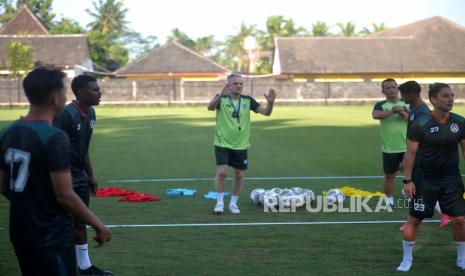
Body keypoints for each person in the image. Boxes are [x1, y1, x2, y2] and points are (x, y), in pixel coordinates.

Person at [0, 66, 111, 276]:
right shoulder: (53, 136)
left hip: (20, 230)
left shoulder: (8, 131)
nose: (64, 96)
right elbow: (65, 196)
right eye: (62, 91)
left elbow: (3, 185)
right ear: (54, 97)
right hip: (51, 233)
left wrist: (29, 204)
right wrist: (99, 225)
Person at [397, 83, 465, 272]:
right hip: (425, 179)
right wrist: (408, 180)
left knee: (459, 219)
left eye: (452, 95)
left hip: (452, 179)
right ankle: (407, 259)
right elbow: (410, 154)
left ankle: (462, 258)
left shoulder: (460, 122)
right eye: (445, 96)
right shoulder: (421, 124)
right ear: (434, 100)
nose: (451, 99)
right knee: (415, 220)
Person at [53, 75, 111, 275]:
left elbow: (83, 147)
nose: (100, 92)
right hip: (62, 178)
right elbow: (52, 148)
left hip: (79, 177)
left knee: (80, 222)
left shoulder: (91, 113)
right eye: (95, 90)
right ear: (81, 93)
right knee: (62, 224)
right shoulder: (66, 115)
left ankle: (85, 267)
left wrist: (90, 175)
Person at [207, 73, 276, 214]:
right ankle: (219, 203)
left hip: (241, 144)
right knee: (222, 172)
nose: (239, 86)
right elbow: (210, 107)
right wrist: (221, 94)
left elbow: (266, 113)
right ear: (229, 85)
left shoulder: (247, 100)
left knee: (239, 175)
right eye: (235, 83)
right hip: (222, 142)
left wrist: (270, 103)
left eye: (241, 83)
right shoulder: (221, 98)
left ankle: (233, 204)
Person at [398, 80, 449, 231]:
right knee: (411, 191)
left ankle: (440, 214)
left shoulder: (422, 112)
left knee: (413, 190)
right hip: (418, 158)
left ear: (412, 95)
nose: (401, 97)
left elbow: (421, 140)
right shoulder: (414, 110)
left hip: (421, 160)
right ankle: (441, 214)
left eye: (403, 94)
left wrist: (408, 161)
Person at [372, 79, 409, 207]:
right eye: (388, 88)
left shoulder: (406, 103)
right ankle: (389, 199)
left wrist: (403, 111)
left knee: (410, 173)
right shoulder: (380, 104)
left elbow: (414, 118)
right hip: (389, 148)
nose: (391, 90)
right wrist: (393, 110)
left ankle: (408, 194)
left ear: (397, 89)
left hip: (408, 146)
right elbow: (376, 115)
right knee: (389, 175)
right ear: (383, 91)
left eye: (393, 87)